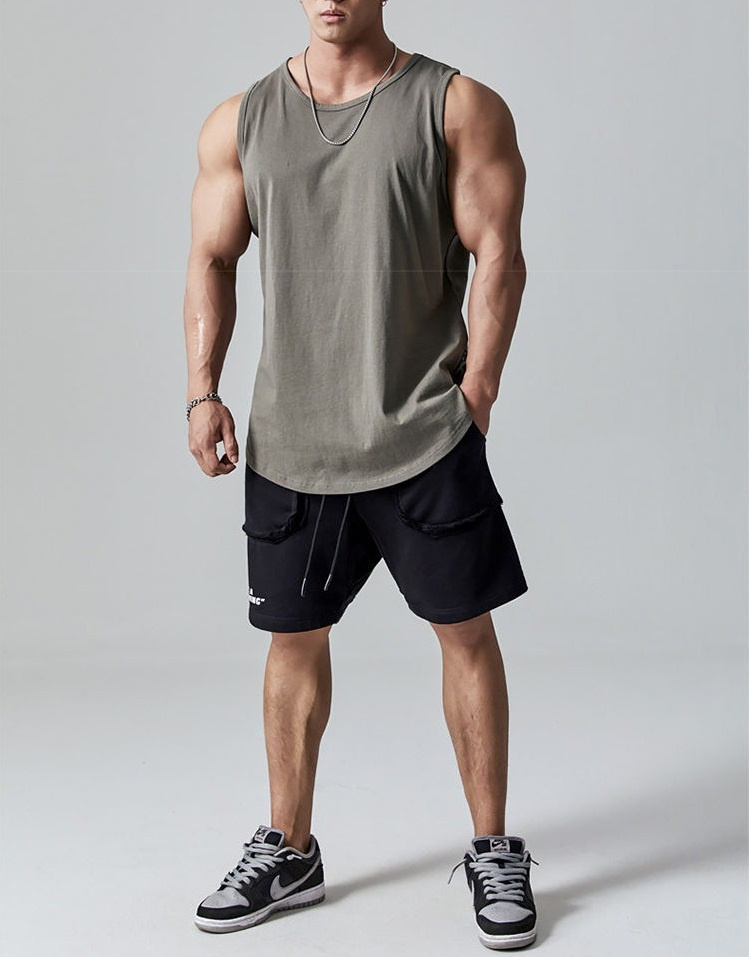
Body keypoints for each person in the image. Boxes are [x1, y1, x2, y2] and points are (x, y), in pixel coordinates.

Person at [183, 0, 538, 949]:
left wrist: (476, 392)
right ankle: (289, 850)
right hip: (291, 441)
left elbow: (498, 253)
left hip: (420, 433)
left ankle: (492, 846)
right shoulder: (239, 120)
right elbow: (211, 257)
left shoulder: (454, 105)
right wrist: (201, 390)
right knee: (292, 641)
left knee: (464, 633)